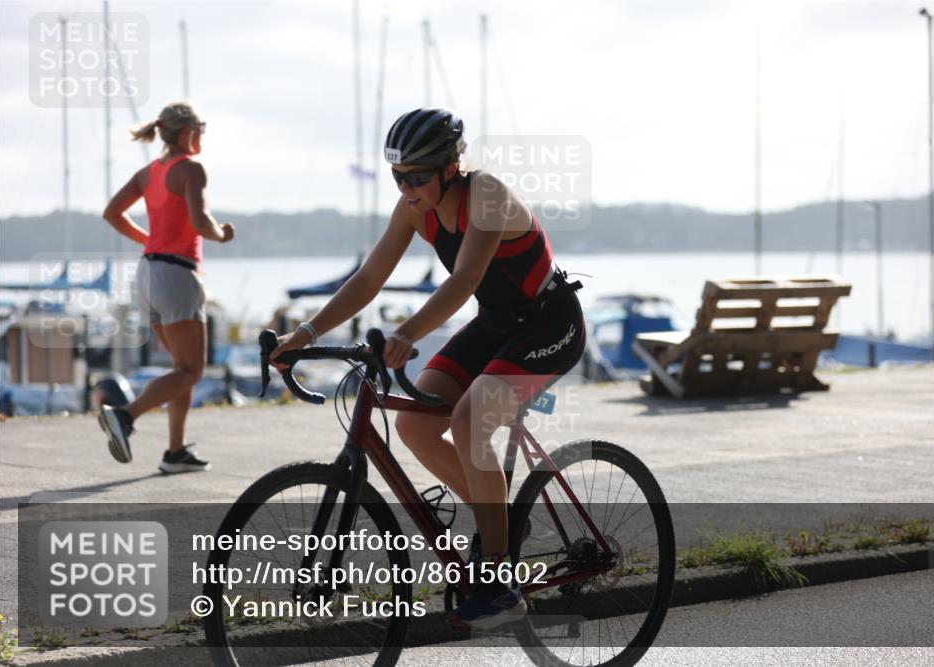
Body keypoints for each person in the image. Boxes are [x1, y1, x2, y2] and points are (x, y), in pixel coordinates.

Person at [269, 108, 586, 629]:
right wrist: (303, 335)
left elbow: (463, 281)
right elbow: (369, 278)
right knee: (415, 422)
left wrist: (407, 333)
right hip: (498, 324)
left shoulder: (486, 195)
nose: (406, 187)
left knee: (467, 421)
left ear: (450, 168)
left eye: (416, 176)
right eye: (398, 176)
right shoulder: (414, 209)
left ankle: (501, 584)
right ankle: (500, 524)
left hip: (550, 324)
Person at [98, 101, 235, 474]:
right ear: (187, 132)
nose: (203, 134)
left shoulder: (149, 172)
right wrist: (222, 235)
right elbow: (200, 220)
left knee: (181, 368)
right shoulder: (191, 169)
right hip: (176, 276)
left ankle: (174, 452)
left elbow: (112, 213)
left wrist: (149, 240)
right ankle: (124, 416)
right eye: (201, 126)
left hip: (147, 275)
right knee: (192, 371)